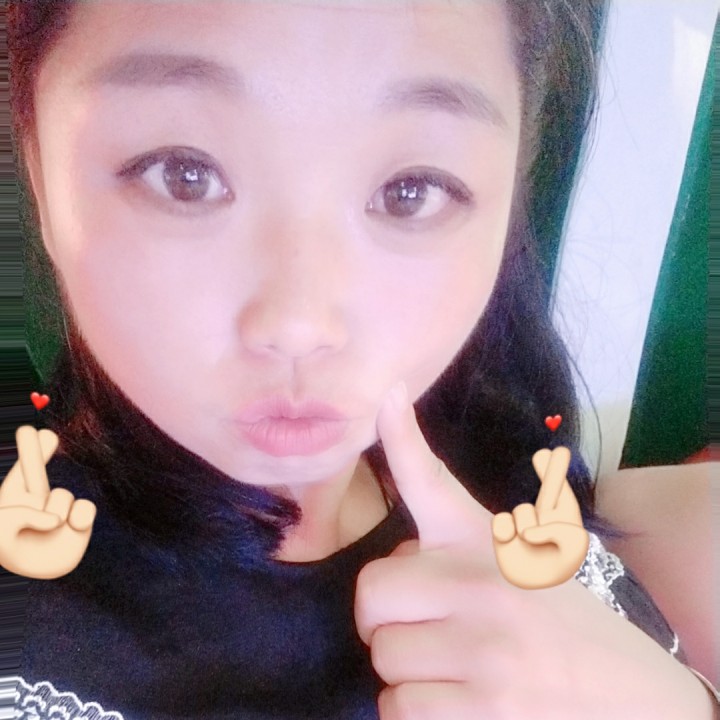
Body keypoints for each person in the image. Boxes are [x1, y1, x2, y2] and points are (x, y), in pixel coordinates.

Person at [2, 1, 717, 718]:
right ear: (36, 173)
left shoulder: (512, 474)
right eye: (183, 174)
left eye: (411, 192)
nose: (299, 325)